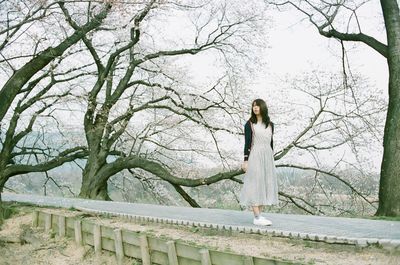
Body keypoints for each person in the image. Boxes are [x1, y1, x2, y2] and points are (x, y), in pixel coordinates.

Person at [240, 98, 279, 226]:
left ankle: (259, 216)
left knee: (264, 184)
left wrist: (271, 158)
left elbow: (271, 143)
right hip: (255, 155)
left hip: (267, 156)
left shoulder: (270, 124)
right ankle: (257, 217)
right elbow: (247, 143)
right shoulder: (250, 124)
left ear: (263, 107)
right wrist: (246, 160)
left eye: (257, 106)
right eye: (253, 106)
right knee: (254, 184)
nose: (255, 108)